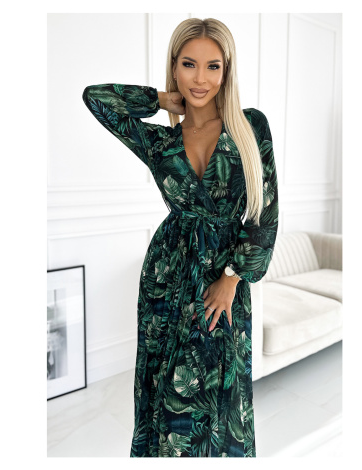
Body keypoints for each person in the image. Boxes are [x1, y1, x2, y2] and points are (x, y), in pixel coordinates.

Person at [82, 17, 279, 458]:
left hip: (224, 275)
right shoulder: (160, 142)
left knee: (221, 393)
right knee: (164, 387)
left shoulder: (251, 127)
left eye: (213, 66)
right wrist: (159, 99)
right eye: (189, 64)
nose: (200, 78)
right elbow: (96, 99)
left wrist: (232, 278)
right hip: (167, 273)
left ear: (227, 70)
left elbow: (265, 213)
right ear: (174, 67)